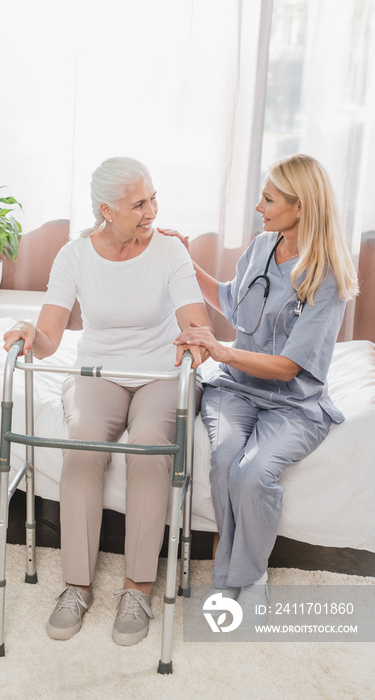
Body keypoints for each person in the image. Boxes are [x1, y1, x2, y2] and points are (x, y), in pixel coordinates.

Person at [3, 156, 212, 645]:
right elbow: (51, 335)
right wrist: (28, 333)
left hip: (160, 373)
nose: (151, 210)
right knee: (83, 447)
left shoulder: (170, 253)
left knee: (150, 448)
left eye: (153, 197)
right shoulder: (74, 256)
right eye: (139, 202)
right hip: (98, 372)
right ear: (107, 209)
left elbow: (193, 318)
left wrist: (196, 340)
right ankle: (77, 585)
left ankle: (137, 588)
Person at [159, 153, 359, 625]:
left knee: (252, 475)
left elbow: (290, 367)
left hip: (293, 405)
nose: (258, 206)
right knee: (225, 459)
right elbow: (231, 301)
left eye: (268, 198)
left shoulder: (325, 275)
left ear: (301, 206)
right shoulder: (262, 246)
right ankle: (239, 575)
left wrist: (222, 350)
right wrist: (186, 258)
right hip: (236, 390)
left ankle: (242, 578)